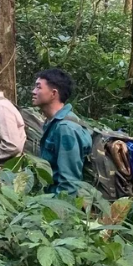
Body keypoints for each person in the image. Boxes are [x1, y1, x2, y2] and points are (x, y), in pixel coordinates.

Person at [33, 68, 92, 196]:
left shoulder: (66, 128)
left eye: (39, 87)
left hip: (61, 204)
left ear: (54, 93)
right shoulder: (52, 123)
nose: (33, 92)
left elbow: (69, 183)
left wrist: (60, 212)